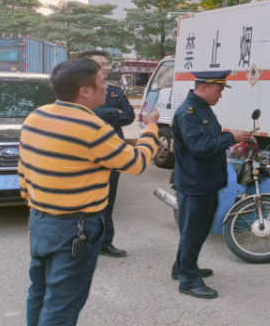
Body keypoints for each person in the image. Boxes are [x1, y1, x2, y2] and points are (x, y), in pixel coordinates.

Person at [19, 59, 160, 326]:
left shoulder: (37, 116)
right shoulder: (92, 128)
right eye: (101, 81)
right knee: (63, 304)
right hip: (75, 227)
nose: (106, 87)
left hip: (41, 221)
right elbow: (136, 163)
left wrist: (35, 212)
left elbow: (25, 170)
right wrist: (151, 128)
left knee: (40, 292)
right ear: (84, 90)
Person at [171, 70, 251, 299]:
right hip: (195, 183)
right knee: (193, 232)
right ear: (204, 87)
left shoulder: (202, 109)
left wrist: (232, 136)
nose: (221, 95)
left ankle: (183, 267)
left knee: (200, 230)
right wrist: (230, 137)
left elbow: (209, 139)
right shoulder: (187, 113)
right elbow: (201, 146)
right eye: (219, 90)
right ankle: (188, 280)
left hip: (206, 181)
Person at [76, 50, 136, 258]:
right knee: (83, 201)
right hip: (84, 155)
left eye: (107, 63)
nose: (106, 67)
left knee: (107, 200)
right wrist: (112, 113)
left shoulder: (114, 93)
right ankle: (80, 242)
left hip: (111, 154)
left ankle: (105, 241)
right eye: (101, 64)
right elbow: (81, 114)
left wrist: (101, 115)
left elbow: (129, 116)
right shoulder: (78, 92)